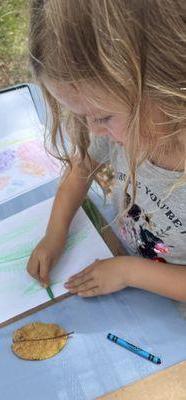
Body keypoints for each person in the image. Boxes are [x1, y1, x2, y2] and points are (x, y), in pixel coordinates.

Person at [26, 0, 186, 302]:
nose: (95, 131)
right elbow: (82, 168)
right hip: (122, 258)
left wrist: (129, 272)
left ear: (165, 86)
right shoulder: (127, 119)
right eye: (83, 117)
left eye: (102, 118)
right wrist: (55, 233)